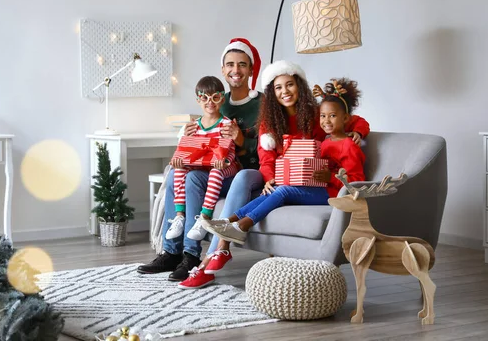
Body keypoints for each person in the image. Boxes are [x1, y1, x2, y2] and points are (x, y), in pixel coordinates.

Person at [177, 62, 369, 289]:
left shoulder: (318, 115)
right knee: (242, 177)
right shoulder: (269, 121)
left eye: (290, 85)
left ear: (299, 86)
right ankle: (221, 241)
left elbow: (352, 121)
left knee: (279, 190)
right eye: (278, 88)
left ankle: (218, 250)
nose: (285, 92)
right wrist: (269, 178)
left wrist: (357, 132)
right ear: (271, 92)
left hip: (309, 181)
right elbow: (265, 158)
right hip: (275, 176)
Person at [136, 38, 265, 281]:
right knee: (176, 173)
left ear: (250, 69)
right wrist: (188, 135)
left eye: (242, 64)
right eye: (230, 65)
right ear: (223, 70)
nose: (235, 70)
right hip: (212, 166)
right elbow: (203, 138)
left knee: (194, 178)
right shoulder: (217, 100)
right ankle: (172, 252)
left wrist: (240, 139)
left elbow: (268, 146)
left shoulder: (263, 103)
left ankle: (191, 255)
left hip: (242, 173)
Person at [165, 76, 240, 242]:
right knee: (179, 169)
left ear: (222, 98)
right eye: (204, 98)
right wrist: (180, 160)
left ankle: (204, 218)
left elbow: (231, 151)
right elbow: (188, 150)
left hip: (225, 166)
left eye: (215, 97)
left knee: (216, 171)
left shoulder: (226, 124)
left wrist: (224, 161)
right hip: (201, 167)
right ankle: (179, 215)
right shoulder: (195, 126)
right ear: (198, 100)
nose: (210, 102)